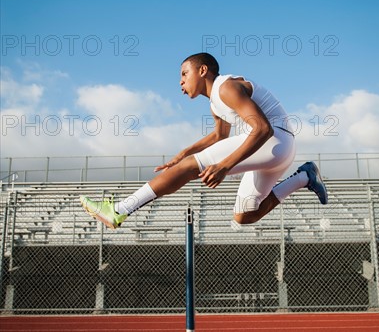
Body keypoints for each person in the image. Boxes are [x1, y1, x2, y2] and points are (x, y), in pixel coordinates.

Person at [80, 52, 327, 229]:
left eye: (184, 74)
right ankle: (305, 177)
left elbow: (262, 128)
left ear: (202, 70)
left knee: (190, 167)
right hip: (277, 150)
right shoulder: (215, 102)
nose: (180, 82)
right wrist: (183, 153)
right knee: (243, 217)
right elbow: (220, 136)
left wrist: (224, 166)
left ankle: (119, 210)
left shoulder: (226, 88)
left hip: (273, 139)